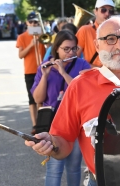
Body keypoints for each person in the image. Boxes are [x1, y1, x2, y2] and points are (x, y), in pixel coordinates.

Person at [25, 16, 120, 186]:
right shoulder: (79, 86)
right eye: (110, 39)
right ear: (97, 45)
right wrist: (51, 144)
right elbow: (64, 141)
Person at [31, 30, 90, 186]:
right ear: (56, 48)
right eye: (66, 49)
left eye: (74, 48)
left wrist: (63, 72)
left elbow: (84, 93)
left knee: (74, 167)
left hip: (76, 123)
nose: (70, 52)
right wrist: (44, 75)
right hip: (53, 124)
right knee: (54, 168)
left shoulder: (82, 65)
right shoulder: (44, 67)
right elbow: (38, 98)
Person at [16, 12, 46, 135]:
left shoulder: (43, 35)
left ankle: (41, 123)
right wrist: (31, 45)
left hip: (43, 70)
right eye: (31, 22)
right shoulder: (22, 37)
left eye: (36, 22)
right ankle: (35, 124)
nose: (34, 24)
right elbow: (20, 55)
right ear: (27, 23)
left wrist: (43, 40)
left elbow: (50, 49)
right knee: (32, 100)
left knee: (42, 99)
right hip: (30, 71)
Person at [75, 0, 115, 67]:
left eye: (111, 11)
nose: (107, 13)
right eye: (103, 10)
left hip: (112, 75)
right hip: (91, 74)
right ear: (95, 11)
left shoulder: (116, 31)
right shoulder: (85, 30)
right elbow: (74, 58)